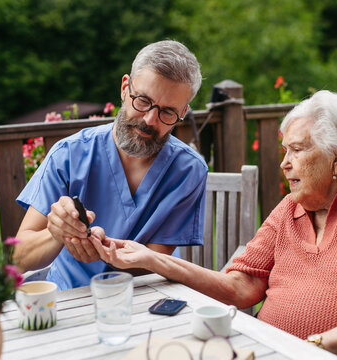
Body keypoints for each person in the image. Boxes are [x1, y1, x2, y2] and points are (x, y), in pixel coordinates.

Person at [88, 90, 337, 359]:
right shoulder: (291, 208)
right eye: (285, 151)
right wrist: (149, 258)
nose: (284, 164)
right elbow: (240, 287)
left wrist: (307, 349)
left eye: (297, 150)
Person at [14, 40, 208, 290]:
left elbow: (150, 265)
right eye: (143, 101)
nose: (150, 119)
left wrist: (97, 246)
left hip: (144, 299)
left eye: (168, 112)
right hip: (69, 298)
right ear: (125, 88)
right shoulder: (68, 155)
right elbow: (19, 257)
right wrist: (58, 231)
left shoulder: (188, 171)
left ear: (183, 112)